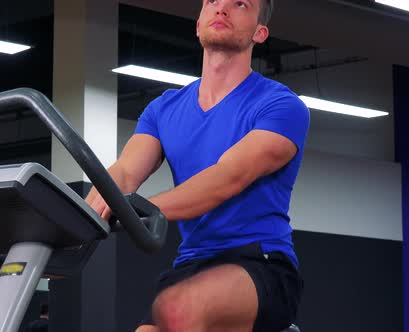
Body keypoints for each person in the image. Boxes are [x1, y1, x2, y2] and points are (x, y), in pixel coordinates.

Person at [85, 0, 309, 331]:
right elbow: (124, 173)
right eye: (212, 2)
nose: (221, 9)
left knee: (181, 308)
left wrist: (134, 211)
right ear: (198, 23)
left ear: (260, 33)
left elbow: (225, 179)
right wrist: (77, 222)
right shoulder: (163, 109)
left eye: (239, 4)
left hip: (261, 264)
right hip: (190, 266)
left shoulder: (281, 106)